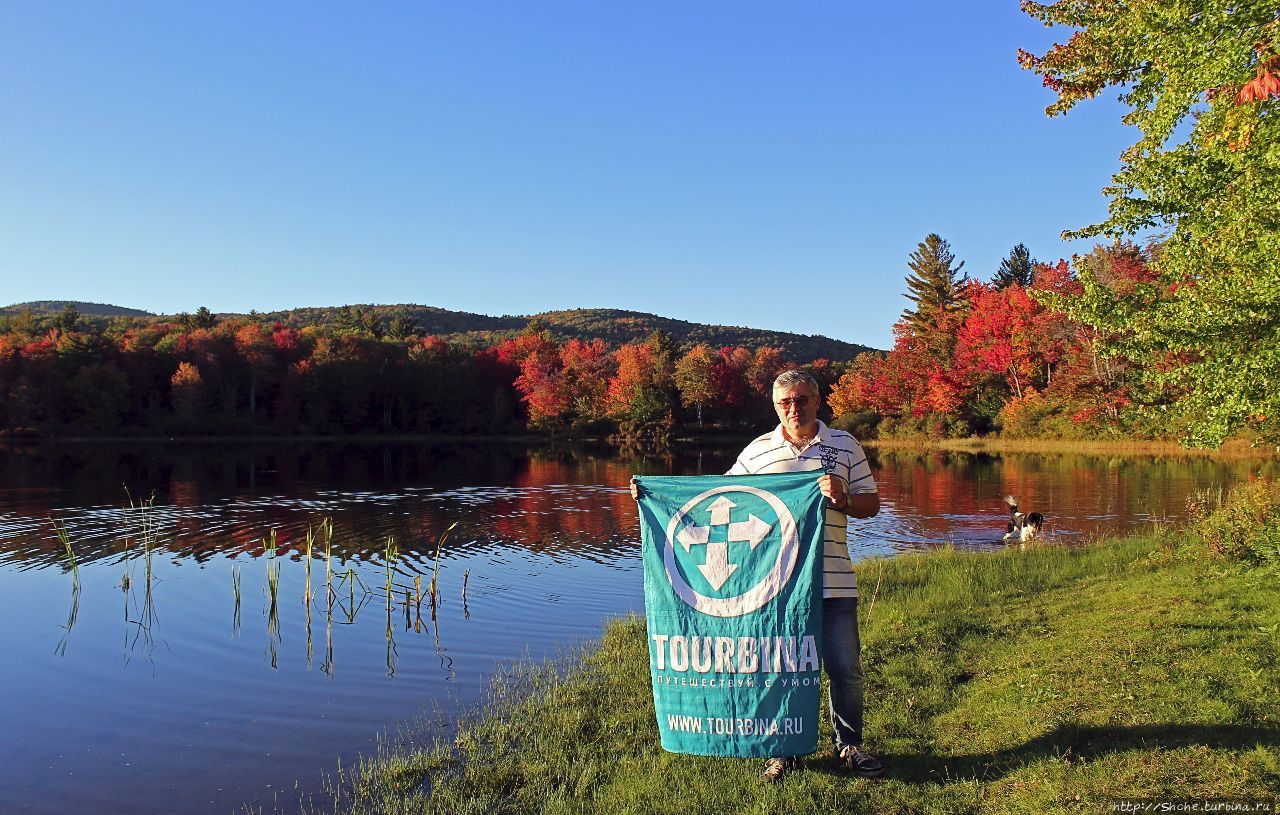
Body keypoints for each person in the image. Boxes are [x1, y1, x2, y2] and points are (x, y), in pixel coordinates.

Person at [632, 369, 883, 782]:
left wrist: (845, 500)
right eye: (785, 402)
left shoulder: (844, 444)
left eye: (801, 399)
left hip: (833, 579)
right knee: (782, 670)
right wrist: (653, 496)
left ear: (817, 401)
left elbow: (871, 504)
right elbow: (716, 499)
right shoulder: (758, 451)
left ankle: (850, 746)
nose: (794, 408)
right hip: (779, 588)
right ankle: (783, 749)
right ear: (776, 407)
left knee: (845, 669)